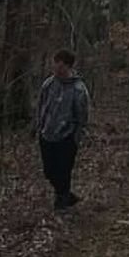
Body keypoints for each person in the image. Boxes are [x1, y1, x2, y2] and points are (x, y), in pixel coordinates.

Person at [35, 48, 90, 210]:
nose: (56, 69)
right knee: (49, 171)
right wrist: (39, 126)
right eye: (55, 65)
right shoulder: (49, 84)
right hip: (47, 134)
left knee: (64, 170)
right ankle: (66, 195)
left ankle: (61, 201)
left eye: (60, 66)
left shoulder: (78, 89)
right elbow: (41, 105)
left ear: (67, 66)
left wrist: (76, 136)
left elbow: (82, 115)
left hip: (66, 136)